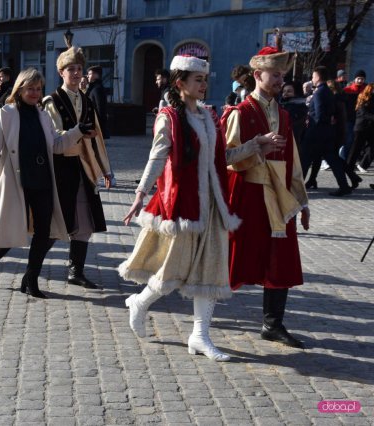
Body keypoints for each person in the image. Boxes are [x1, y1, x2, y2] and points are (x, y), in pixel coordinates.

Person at [120, 55, 279, 361]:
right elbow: (157, 157)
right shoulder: (169, 117)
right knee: (172, 271)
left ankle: (199, 336)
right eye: (198, 80)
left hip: (214, 206)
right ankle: (140, 303)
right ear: (180, 83)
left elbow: (224, 158)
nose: (204, 85)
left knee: (212, 271)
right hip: (184, 206)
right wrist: (140, 192)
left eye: (205, 80)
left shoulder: (209, 116)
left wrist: (256, 144)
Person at [0, 68, 91, 298]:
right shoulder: (7, 113)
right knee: (12, 230)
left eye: (38, 89)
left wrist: (76, 132)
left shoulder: (42, 114)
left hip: (43, 179)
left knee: (43, 231)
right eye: (30, 88)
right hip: (17, 180)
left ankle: (31, 279)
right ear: (20, 89)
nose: (35, 93)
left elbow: (56, 145)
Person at [220, 45, 310, 349]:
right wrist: (256, 147)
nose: (279, 80)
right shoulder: (240, 113)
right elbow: (227, 157)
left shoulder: (284, 115)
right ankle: (200, 314)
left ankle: (273, 324)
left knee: (281, 260)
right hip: (249, 195)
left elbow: (294, 161)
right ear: (258, 75)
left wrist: (303, 200)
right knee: (230, 257)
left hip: (280, 196)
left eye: (281, 75)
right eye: (274, 75)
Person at [43, 46, 113, 290]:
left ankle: (76, 271)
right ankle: (33, 266)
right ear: (61, 72)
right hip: (60, 168)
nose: (76, 73)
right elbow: (53, 138)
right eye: (70, 69)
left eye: (79, 69)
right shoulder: (51, 101)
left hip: (84, 168)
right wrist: (77, 133)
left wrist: (105, 169)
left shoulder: (86, 99)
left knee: (84, 222)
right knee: (55, 223)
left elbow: (97, 138)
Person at [300, 66, 354, 195]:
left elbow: (319, 114)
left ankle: (297, 186)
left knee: (305, 160)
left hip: (315, 134)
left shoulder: (319, 92)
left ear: (318, 77)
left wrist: (313, 127)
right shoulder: (327, 91)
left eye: (313, 76)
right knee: (333, 161)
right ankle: (344, 186)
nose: (312, 79)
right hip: (326, 132)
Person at [346, 84, 374, 183]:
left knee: (371, 148)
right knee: (355, 151)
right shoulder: (363, 99)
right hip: (361, 129)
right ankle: (349, 170)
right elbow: (364, 114)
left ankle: (361, 165)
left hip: (370, 129)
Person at [342, 70, 368, 163]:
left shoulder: (366, 90)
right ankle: (345, 159)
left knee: (358, 141)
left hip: (361, 120)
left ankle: (352, 160)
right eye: (359, 78)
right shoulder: (347, 90)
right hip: (350, 119)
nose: (360, 81)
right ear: (355, 79)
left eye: (362, 79)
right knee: (349, 140)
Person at [279, 81, 308, 151]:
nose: (285, 93)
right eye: (284, 91)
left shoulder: (299, 106)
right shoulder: (281, 104)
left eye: (289, 91)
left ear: (296, 93)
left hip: (293, 139)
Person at [86, 65, 110, 139]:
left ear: (96, 75)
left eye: (90, 74)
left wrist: (99, 127)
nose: (88, 76)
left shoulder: (97, 89)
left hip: (96, 125)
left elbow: (101, 109)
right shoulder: (93, 88)